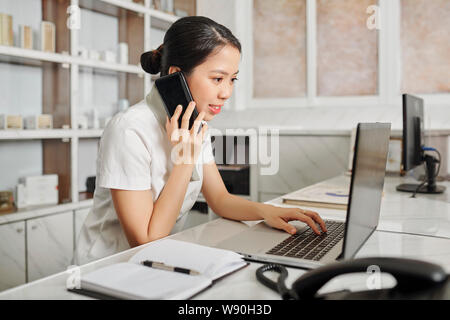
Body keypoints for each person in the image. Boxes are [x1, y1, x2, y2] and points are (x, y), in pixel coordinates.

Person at [74, 16, 327, 265]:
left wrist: (268, 212)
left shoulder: (195, 122)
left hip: (154, 263)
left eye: (232, 79)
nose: (226, 92)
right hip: (104, 268)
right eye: (217, 78)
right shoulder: (128, 130)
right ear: (176, 75)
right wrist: (184, 162)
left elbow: (220, 199)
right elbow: (145, 241)